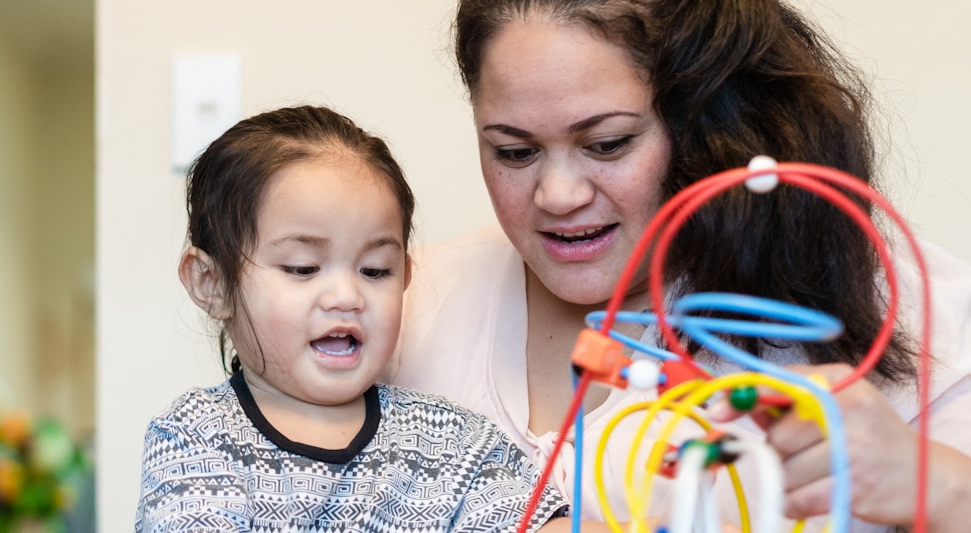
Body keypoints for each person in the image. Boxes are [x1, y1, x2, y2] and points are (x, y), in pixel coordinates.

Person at [389, 0, 971, 531]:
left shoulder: (909, 311)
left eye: (608, 143)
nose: (558, 195)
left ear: (707, 124)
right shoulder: (397, 308)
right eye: (514, 152)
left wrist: (943, 487)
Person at [136, 105, 581, 531]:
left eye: (375, 271)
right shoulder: (197, 436)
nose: (347, 296)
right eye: (302, 269)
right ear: (211, 283)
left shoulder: (449, 438)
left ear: (405, 276)